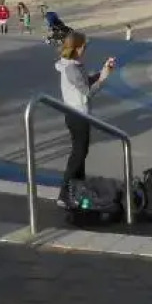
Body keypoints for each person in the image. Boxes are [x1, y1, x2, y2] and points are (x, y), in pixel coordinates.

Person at [54, 31, 116, 199]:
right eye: (84, 47)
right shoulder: (72, 68)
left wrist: (102, 72)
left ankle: (77, 188)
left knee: (81, 151)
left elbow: (84, 82)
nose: (85, 50)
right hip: (77, 114)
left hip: (76, 113)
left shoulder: (71, 65)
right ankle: (65, 191)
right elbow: (87, 91)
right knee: (79, 152)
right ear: (77, 48)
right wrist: (102, 79)